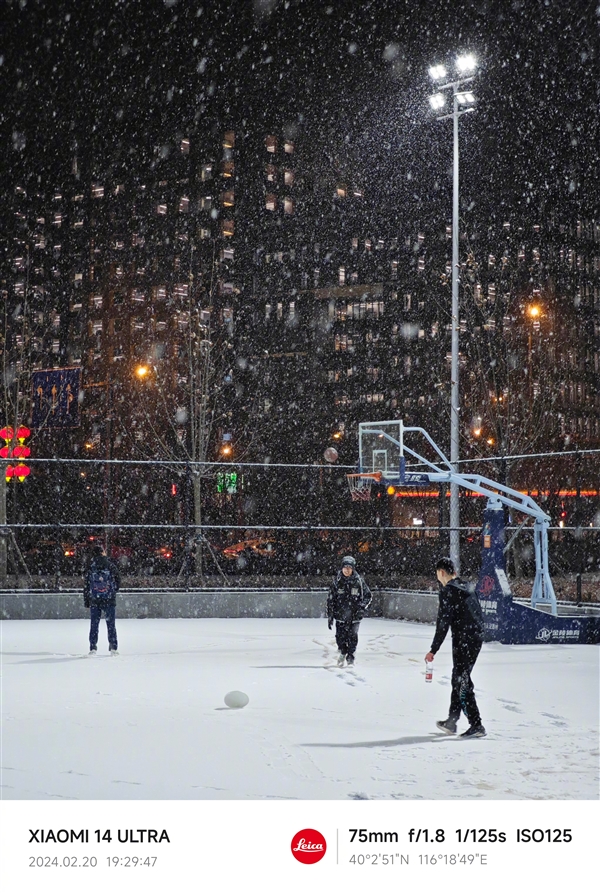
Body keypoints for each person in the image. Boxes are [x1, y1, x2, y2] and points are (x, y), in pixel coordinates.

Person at [425, 557, 486, 738]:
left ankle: (477, 725)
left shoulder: (448, 592)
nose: (438, 579)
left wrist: (433, 650)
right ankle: (452, 721)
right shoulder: (467, 587)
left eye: (438, 575)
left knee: (462, 681)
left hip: (463, 639)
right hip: (475, 637)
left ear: (442, 573)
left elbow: (443, 624)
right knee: (458, 677)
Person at [327, 555, 372, 667]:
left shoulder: (359, 582)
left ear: (353, 568)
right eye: (345, 567)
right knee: (340, 637)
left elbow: (368, 596)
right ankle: (343, 651)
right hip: (340, 615)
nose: (347, 570)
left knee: (352, 637)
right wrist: (330, 615)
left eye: (349, 567)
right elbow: (331, 599)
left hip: (355, 616)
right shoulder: (336, 582)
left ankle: (350, 657)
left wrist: (361, 608)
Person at [84, 544, 121, 656]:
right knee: (111, 624)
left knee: (94, 624)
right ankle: (113, 647)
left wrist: (87, 600)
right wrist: (113, 591)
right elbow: (118, 580)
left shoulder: (90, 566)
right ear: (102, 552)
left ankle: (93, 647)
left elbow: (86, 585)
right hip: (109, 599)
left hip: (95, 599)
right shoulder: (110, 565)